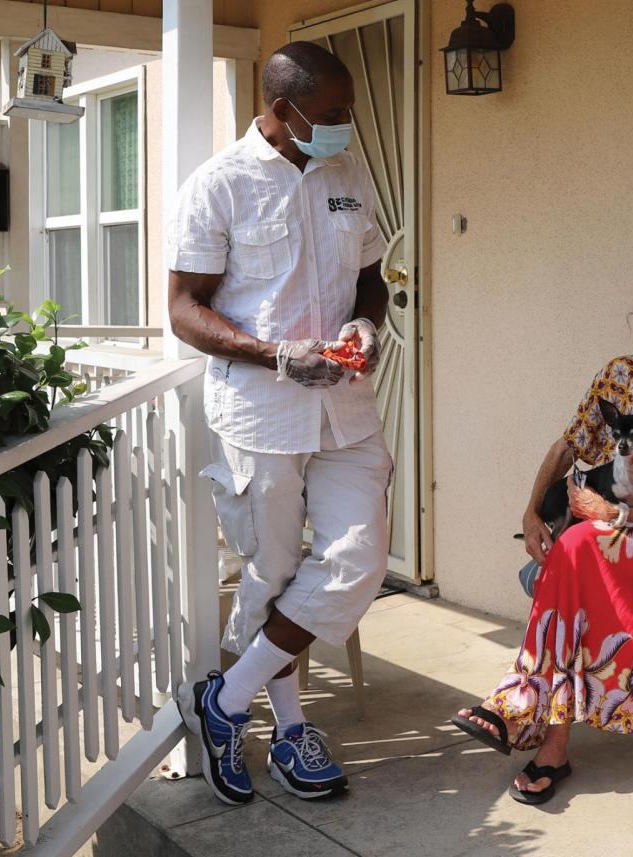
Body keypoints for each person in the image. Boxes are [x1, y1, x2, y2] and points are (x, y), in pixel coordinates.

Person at [167, 41, 392, 807]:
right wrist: (275, 355)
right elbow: (184, 309)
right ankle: (290, 729)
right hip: (261, 412)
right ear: (280, 110)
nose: (345, 125)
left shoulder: (347, 173)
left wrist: (366, 327)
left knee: (358, 557)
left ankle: (225, 700)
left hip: (346, 409)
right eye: (331, 114)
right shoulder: (217, 186)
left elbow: (372, 282)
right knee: (271, 572)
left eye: (347, 109)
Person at [450, 275, 633, 805]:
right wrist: (532, 511)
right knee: (575, 548)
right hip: (606, 535)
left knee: (577, 545)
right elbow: (568, 447)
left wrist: (617, 512)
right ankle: (543, 735)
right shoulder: (618, 375)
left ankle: (527, 713)